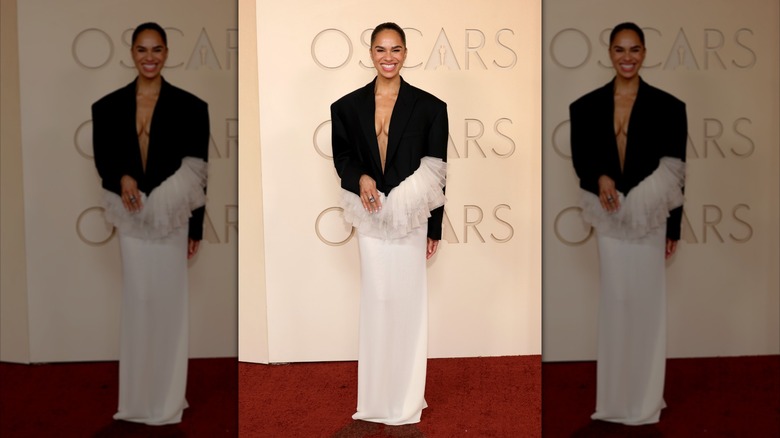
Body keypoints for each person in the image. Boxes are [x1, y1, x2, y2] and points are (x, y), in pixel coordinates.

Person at [330, 22, 448, 425]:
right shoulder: (345, 107)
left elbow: (436, 173)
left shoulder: (431, 107)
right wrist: (360, 177)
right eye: (381, 50)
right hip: (371, 215)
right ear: (370, 53)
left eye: (395, 49)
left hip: (412, 218)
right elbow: (343, 158)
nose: (388, 57)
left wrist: (434, 228)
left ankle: (408, 399)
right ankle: (377, 399)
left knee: (409, 305)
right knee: (378, 302)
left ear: (406, 52)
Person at [569, 22, 687, 425]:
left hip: (652, 219)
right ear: (609, 53)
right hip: (610, 216)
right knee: (617, 301)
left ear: (644, 53)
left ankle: (646, 399)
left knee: (649, 304)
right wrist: (600, 176)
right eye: (620, 50)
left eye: (634, 49)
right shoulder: (584, 107)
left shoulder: (671, 107)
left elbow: (675, 174)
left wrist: (673, 228)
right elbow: (583, 162)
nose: (627, 57)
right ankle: (616, 399)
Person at [92, 22, 209, 425]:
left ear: (166, 53)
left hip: (174, 220)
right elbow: (105, 162)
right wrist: (122, 176)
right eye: (142, 50)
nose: (149, 57)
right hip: (132, 218)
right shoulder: (106, 108)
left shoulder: (192, 107)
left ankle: (168, 399)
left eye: (157, 49)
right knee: (139, 302)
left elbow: (197, 174)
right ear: (131, 53)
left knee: (171, 305)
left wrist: (195, 228)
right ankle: (138, 400)